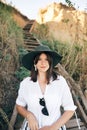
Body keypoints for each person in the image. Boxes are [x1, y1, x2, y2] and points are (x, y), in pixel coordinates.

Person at [16, 44, 77, 130]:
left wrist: (53, 127)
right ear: (35, 63)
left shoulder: (60, 82)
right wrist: (29, 115)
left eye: (46, 59)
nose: (43, 63)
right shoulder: (26, 83)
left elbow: (70, 109)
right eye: (39, 59)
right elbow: (19, 106)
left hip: (55, 127)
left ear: (50, 62)